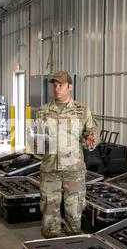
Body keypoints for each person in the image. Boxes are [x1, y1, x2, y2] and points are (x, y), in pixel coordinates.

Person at [34, 71, 100, 239]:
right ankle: (50, 241)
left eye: (61, 85)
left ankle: (72, 241)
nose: (57, 89)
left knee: (74, 209)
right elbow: (36, 140)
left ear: (70, 87)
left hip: (74, 169)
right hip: (50, 168)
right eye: (54, 85)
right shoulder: (43, 111)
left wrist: (92, 138)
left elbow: (92, 131)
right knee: (49, 208)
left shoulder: (82, 111)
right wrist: (36, 143)